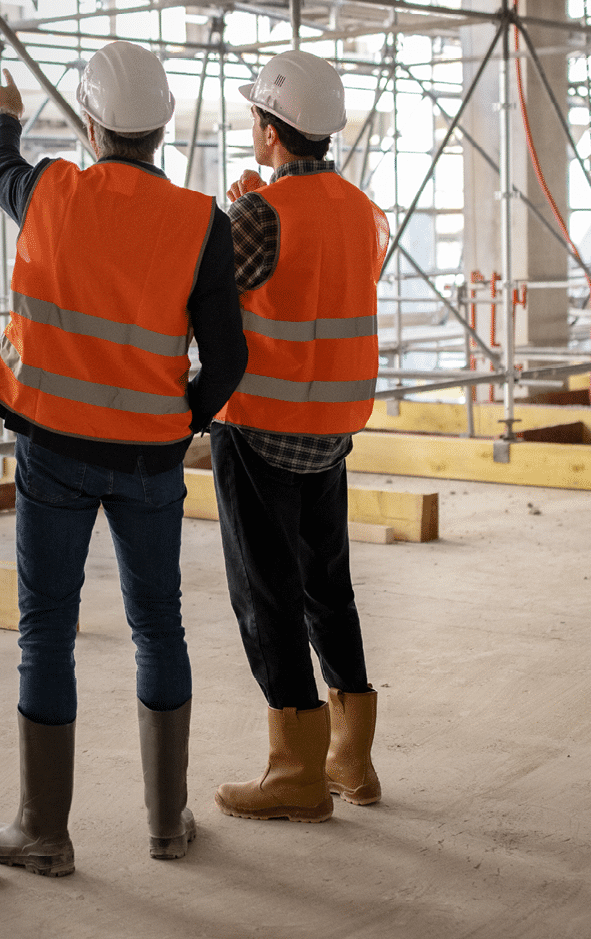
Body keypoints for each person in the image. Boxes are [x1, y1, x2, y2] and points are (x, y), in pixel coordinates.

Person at [0, 45, 248, 875]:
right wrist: (179, 418)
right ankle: (167, 825)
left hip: (53, 450)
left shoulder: (50, 190)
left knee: (46, 633)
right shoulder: (203, 221)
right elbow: (229, 361)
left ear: (92, 126)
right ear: (163, 129)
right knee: (157, 627)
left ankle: (44, 833)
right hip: (149, 461)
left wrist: (4, 108)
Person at [209, 50, 388, 824]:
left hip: (259, 429)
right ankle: (353, 758)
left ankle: (295, 771)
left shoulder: (258, 213)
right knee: (328, 588)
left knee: (267, 595)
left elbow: (212, 288)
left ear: (273, 131)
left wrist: (235, 210)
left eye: (255, 116)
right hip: (330, 428)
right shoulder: (359, 207)